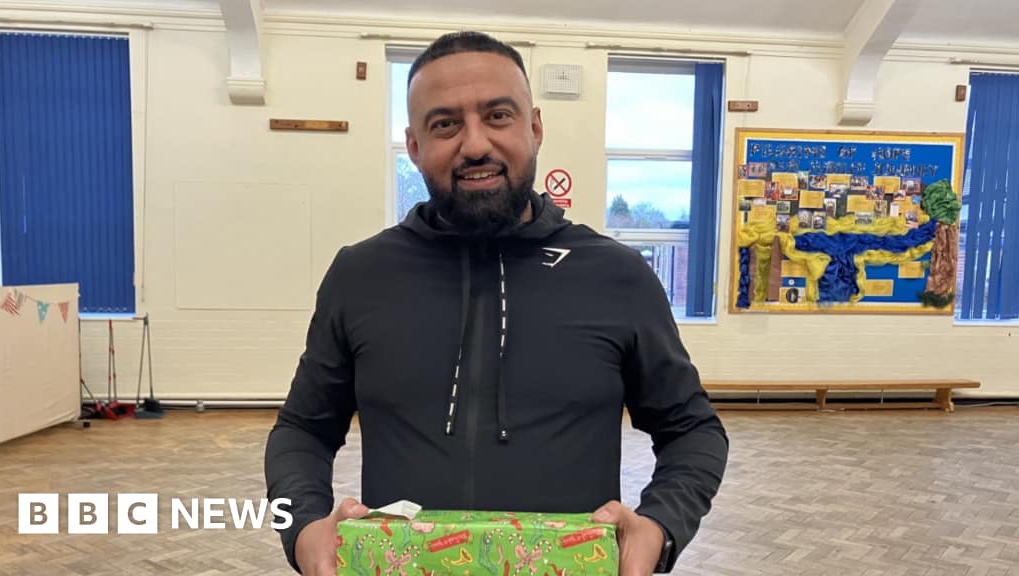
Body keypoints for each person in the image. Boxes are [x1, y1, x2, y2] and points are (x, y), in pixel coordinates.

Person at [264, 30, 728, 576]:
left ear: (535, 128)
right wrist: (302, 527)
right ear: (414, 146)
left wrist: (661, 526)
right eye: (445, 124)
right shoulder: (360, 275)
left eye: (498, 116)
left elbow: (693, 430)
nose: (475, 144)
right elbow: (301, 431)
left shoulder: (616, 276)